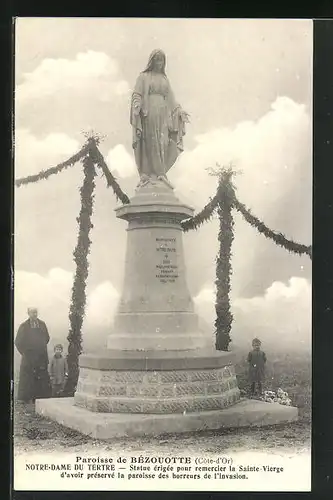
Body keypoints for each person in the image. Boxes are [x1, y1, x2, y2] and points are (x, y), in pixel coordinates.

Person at [130, 49, 190, 187]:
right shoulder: (143, 77)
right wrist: (137, 105)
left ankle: (160, 172)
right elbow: (137, 94)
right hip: (148, 112)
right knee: (150, 140)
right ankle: (148, 173)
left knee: (163, 141)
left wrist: (179, 111)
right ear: (152, 61)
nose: (159, 62)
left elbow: (172, 100)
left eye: (161, 60)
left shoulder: (164, 80)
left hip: (163, 115)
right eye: (157, 59)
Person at [15, 307, 51, 403]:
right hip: (29, 357)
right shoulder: (24, 326)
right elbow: (18, 342)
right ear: (28, 313)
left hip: (41, 356)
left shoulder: (42, 324)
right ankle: (25, 398)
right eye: (32, 312)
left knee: (40, 376)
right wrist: (25, 352)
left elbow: (47, 338)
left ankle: (39, 398)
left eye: (35, 312)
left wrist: (40, 347)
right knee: (28, 377)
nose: (34, 314)